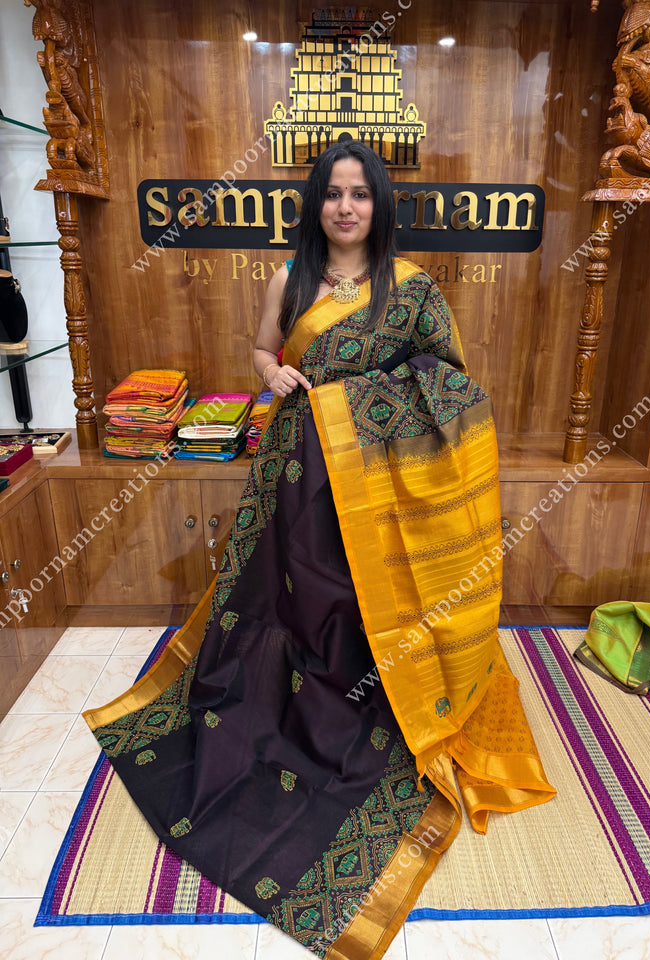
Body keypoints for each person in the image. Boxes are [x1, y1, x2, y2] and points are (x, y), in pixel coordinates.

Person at [83, 141, 555, 959]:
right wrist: (270, 375)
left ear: (378, 205)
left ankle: (374, 712)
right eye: (332, 194)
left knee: (364, 601)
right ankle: (295, 711)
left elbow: (452, 387)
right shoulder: (290, 280)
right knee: (297, 596)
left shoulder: (412, 292)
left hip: (384, 492)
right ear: (316, 204)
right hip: (299, 477)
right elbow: (263, 351)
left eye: (359, 194)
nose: (345, 207)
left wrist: (359, 405)